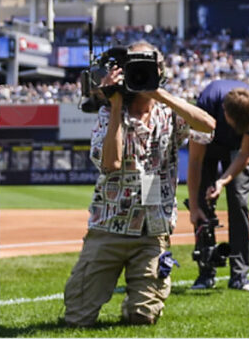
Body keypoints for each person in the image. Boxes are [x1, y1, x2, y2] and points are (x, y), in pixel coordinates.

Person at [63, 41, 216, 326]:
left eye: (150, 67)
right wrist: (117, 102)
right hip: (110, 225)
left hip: (152, 228)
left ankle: (137, 301)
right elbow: (112, 163)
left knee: (143, 317)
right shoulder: (109, 114)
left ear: (162, 71)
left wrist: (158, 92)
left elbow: (208, 125)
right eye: (136, 67)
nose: (142, 73)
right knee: (77, 318)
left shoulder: (169, 113)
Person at [187, 79, 249, 291]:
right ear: (224, 112)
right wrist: (194, 207)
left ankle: (240, 276)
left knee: (239, 201)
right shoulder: (206, 104)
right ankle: (206, 272)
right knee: (203, 204)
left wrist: (223, 181)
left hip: (237, 151)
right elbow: (195, 161)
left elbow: (245, 153)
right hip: (208, 144)